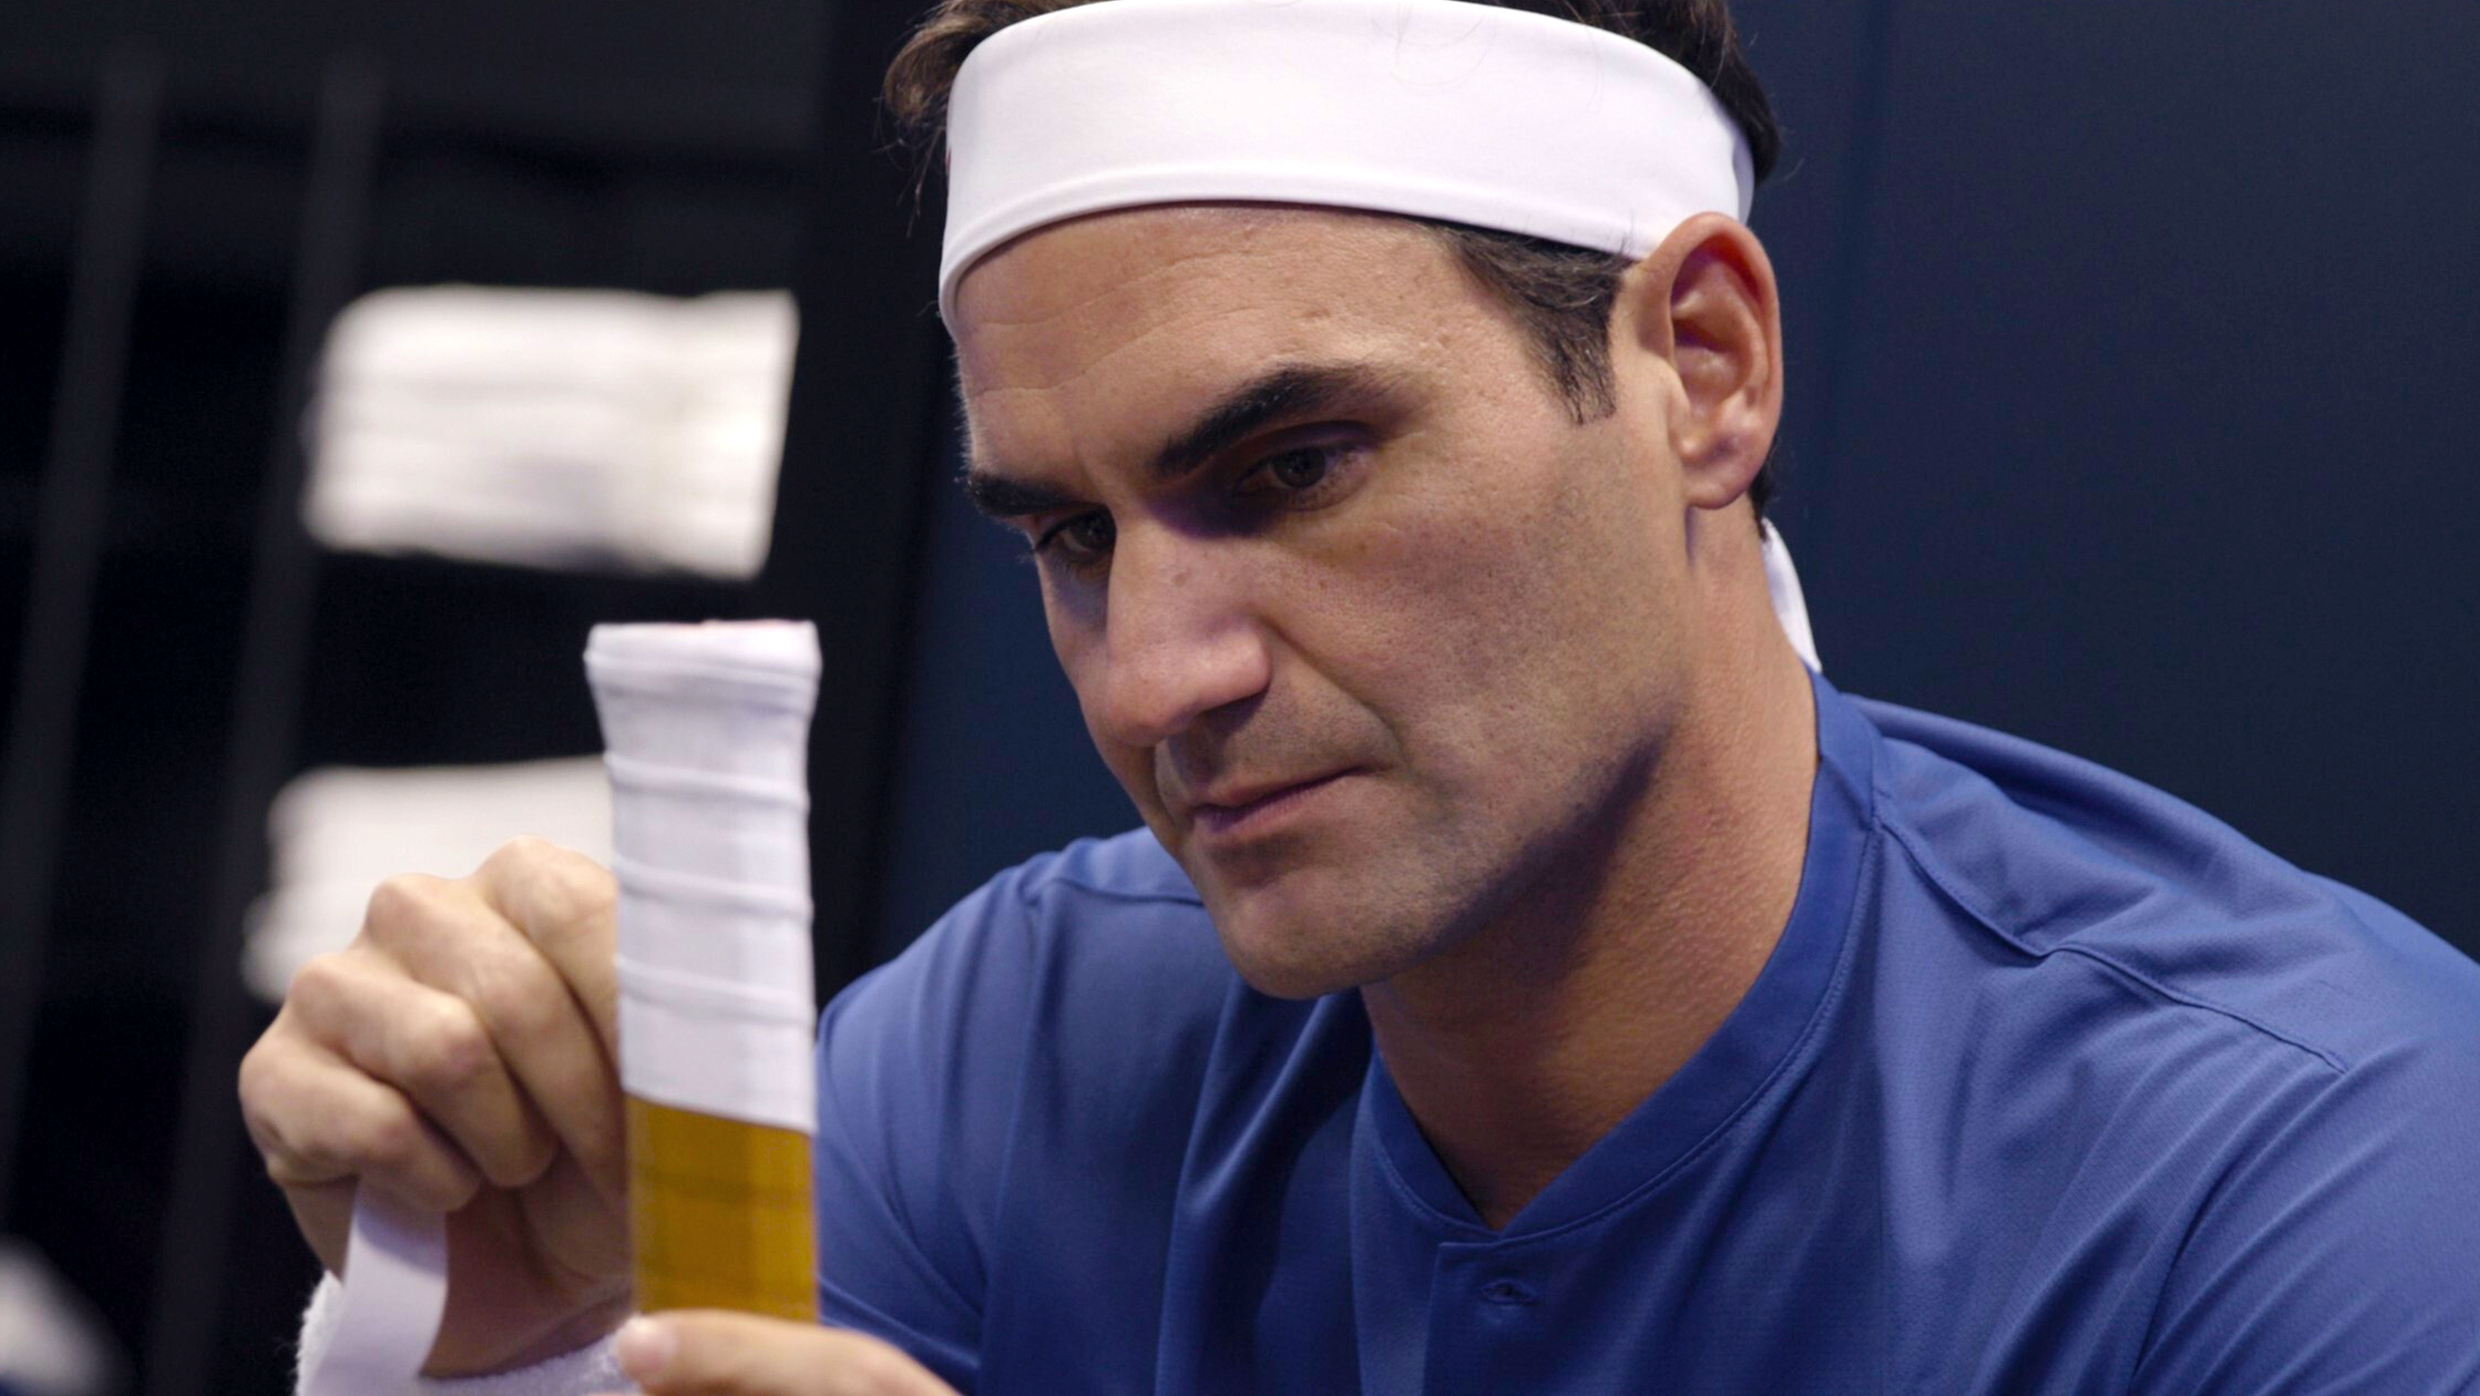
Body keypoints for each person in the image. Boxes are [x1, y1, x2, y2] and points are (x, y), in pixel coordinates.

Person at [238, 0, 2480, 1391]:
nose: (1158, 675)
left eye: (1294, 466)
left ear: (1698, 367)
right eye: (1070, 533)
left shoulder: (2309, 1190)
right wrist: (520, 1357)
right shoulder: (1013, 1052)